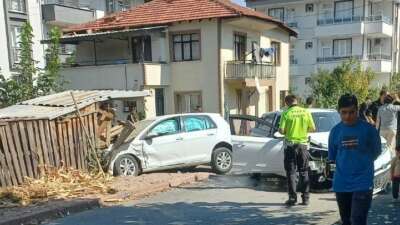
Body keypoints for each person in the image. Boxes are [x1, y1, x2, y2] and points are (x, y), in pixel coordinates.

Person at [329, 94, 381, 225]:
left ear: (357, 110)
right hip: (341, 184)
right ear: (339, 111)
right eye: (344, 112)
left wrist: (362, 164)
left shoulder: (369, 130)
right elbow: (333, 157)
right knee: (346, 221)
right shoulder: (335, 131)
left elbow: (376, 152)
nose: (347, 116)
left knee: (358, 220)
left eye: (351, 112)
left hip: (363, 183)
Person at [279, 94, 316, 206]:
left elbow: (281, 130)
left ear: (287, 103)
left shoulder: (286, 113)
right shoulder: (306, 112)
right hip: (303, 146)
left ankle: (292, 198)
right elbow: (313, 128)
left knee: (291, 172)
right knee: (304, 172)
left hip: (290, 146)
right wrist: (303, 130)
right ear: (297, 101)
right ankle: (305, 199)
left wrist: (288, 131)